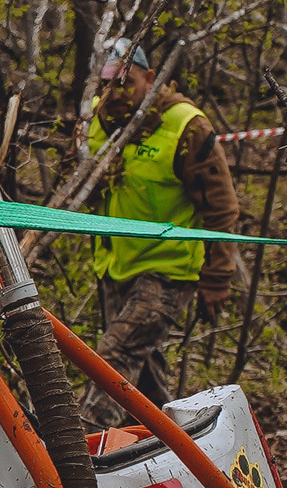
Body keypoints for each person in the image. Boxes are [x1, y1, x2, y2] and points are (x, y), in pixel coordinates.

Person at [86, 37, 242, 417]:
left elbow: (221, 208)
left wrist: (218, 277)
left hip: (168, 273)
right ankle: (171, 451)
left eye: (125, 82)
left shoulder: (187, 126)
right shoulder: (95, 118)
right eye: (106, 84)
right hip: (114, 267)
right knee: (145, 383)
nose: (115, 93)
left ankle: (78, 454)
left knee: (113, 357)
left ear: (151, 78)